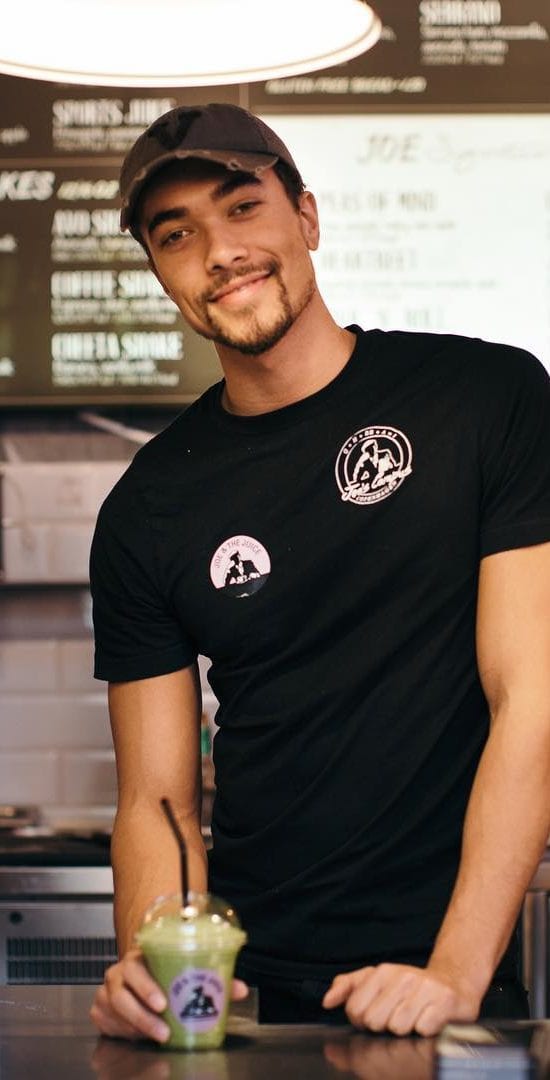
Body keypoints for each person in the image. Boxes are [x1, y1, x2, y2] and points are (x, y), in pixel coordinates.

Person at [89, 102, 550, 1042]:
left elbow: (532, 697)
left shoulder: (486, 399)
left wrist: (453, 973)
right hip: (250, 993)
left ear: (306, 216)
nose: (220, 252)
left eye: (243, 208)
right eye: (177, 235)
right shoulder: (146, 508)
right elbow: (156, 800)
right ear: (160, 272)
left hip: (457, 970)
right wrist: (161, 967)